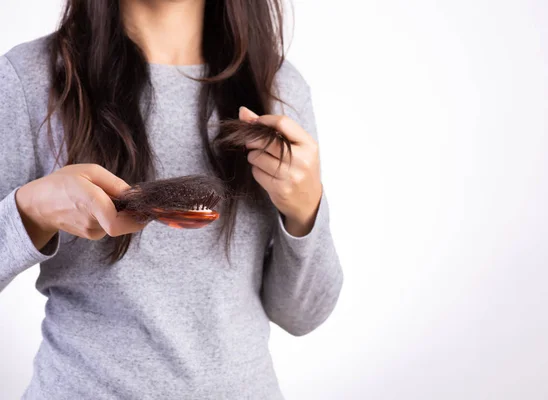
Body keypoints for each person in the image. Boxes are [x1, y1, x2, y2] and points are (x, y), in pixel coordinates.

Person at [0, 0, 343, 398]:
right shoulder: (29, 79)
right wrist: (31, 211)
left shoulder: (278, 87)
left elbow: (303, 314)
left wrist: (304, 209)